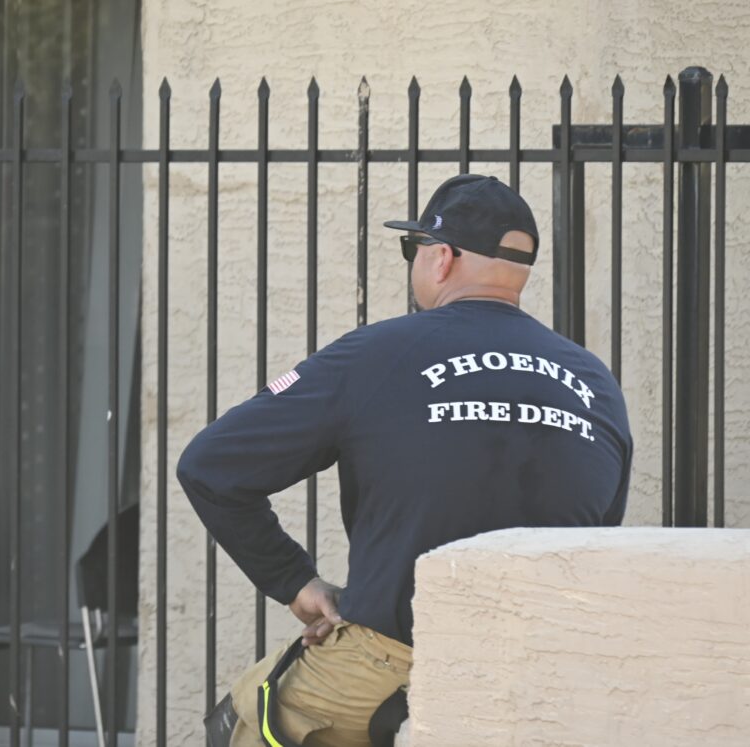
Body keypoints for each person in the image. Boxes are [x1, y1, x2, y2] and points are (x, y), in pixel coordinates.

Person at [177, 174, 632, 747]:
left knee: (243, 721)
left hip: (395, 664)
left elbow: (210, 465)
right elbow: (597, 539)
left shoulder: (377, 354)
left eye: (411, 247)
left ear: (442, 258)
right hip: (538, 677)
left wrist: (294, 580)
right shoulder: (596, 384)